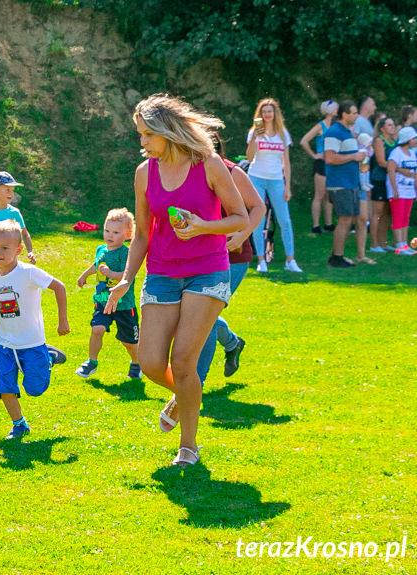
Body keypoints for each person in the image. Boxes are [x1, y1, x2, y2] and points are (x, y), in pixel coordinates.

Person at [104, 94, 249, 467]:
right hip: (163, 272)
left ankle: (189, 447)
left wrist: (203, 226)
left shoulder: (210, 165)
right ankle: (184, 394)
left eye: (146, 135)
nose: (142, 142)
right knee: (152, 363)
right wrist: (126, 279)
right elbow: (142, 234)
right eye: (140, 135)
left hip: (208, 270)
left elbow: (239, 218)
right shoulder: (144, 173)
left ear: (167, 132)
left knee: (184, 360)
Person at [0, 220, 69, 440]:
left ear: (19, 250)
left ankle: (48, 358)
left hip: (31, 343)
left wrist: (63, 321)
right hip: (3, 344)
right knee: (5, 387)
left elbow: (59, 287)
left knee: (35, 389)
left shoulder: (28, 273)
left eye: (4, 248)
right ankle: (19, 424)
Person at [196, 136, 265, 386]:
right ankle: (232, 343)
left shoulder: (230, 171)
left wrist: (241, 236)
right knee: (200, 315)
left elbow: (258, 207)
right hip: (199, 258)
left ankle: (196, 383)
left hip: (232, 259)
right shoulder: (185, 172)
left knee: (202, 318)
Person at [75, 208, 142, 381]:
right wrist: (85, 274)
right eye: (107, 230)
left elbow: (127, 275)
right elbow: (96, 264)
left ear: (128, 234)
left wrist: (111, 273)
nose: (109, 235)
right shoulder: (100, 249)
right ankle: (92, 362)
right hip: (103, 300)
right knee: (97, 329)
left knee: (129, 342)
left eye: (115, 232)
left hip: (123, 304)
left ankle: (136, 363)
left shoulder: (125, 253)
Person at [246, 98, 302, 273]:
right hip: (256, 178)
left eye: (270, 111)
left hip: (277, 180)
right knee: (259, 221)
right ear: (260, 114)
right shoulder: (254, 132)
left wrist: (288, 186)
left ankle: (290, 260)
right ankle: (261, 260)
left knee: (285, 220)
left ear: (275, 113)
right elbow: (248, 158)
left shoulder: (282, 134)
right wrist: (254, 138)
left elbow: (286, 162)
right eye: (264, 111)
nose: (267, 114)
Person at [324, 100, 372, 267]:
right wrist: (353, 157)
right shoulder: (334, 132)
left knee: (347, 220)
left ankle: (339, 256)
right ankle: (336, 257)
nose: (356, 115)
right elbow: (330, 158)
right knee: (344, 220)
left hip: (351, 183)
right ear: (344, 114)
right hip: (340, 183)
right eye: (353, 113)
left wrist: (358, 158)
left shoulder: (347, 132)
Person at [299, 100, 338, 235]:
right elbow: (304, 141)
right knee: (319, 195)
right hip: (321, 163)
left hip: (332, 163)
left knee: (329, 196)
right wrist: (314, 155)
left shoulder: (335, 125)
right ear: (330, 111)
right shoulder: (321, 126)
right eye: (336, 109)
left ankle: (329, 224)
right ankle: (316, 226)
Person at [385, 126, 417, 255]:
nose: (415, 140)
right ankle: (399, 245)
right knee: (398, 217)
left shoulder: (412, 153)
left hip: (409, 191)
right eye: (414, 138)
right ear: (407, 139)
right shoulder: (396, 152)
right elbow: (391, 170)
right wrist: (394, 190)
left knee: (405, 217)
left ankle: (404, 243)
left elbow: (415, 173)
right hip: (399, 191)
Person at [369, 115, 398, 253]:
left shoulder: (393, 141)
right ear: (382, 128)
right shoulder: (378, 141)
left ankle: (383, 242)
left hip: (390, 180)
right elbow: (381, 162)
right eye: (389, 125)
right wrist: (397, 168)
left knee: (387, 212)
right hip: (379, 179)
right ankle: (374, 244)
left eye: (393, 124)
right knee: (377, 212)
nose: (393, 127)